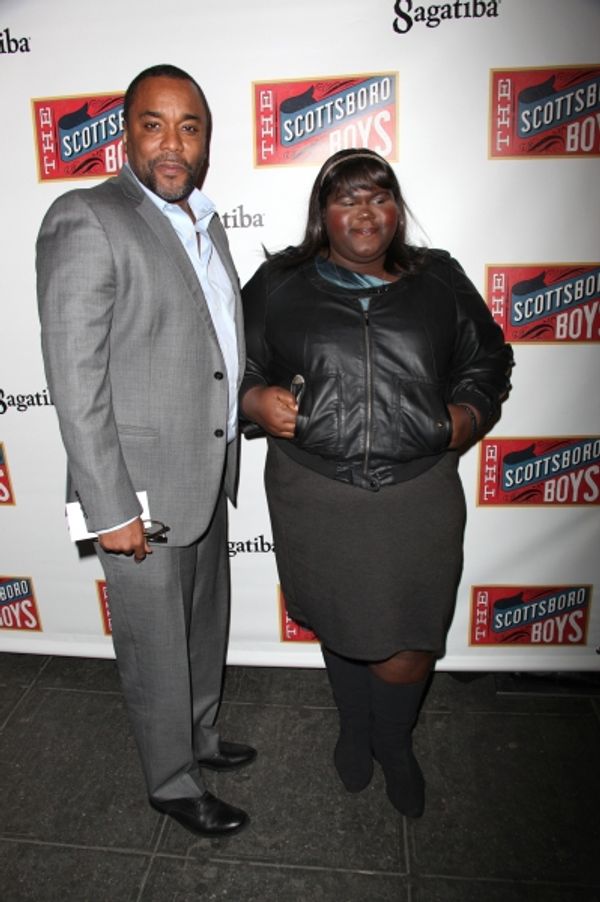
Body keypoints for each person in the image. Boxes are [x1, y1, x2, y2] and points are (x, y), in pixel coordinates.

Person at [240, 148, 513, 818]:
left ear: (396, 209)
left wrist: (465, 417)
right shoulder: (279, 280)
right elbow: (229, 363)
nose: (365, 211)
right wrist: (252, 401)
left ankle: (394, 742)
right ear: (322, 213)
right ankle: (354, 728)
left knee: (409, 641)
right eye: (346, 197)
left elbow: (490, 358)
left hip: (416, 490)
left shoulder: (438, 277)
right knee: (341, 621)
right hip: (316, 490)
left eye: (379, 195)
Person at [36, 64, 255, 837]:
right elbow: (76, 379)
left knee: (200, 624)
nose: (173, 143)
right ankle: (169, 781)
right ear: (125, 133)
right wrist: (109, 510)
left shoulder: (204, 221)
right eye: (155, 124)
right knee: (154, 640)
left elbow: (212, 346)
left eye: (189, 127)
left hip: (201, 472)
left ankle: (197, 739)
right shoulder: (86, 217)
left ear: (206, 141)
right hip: (133, 489)